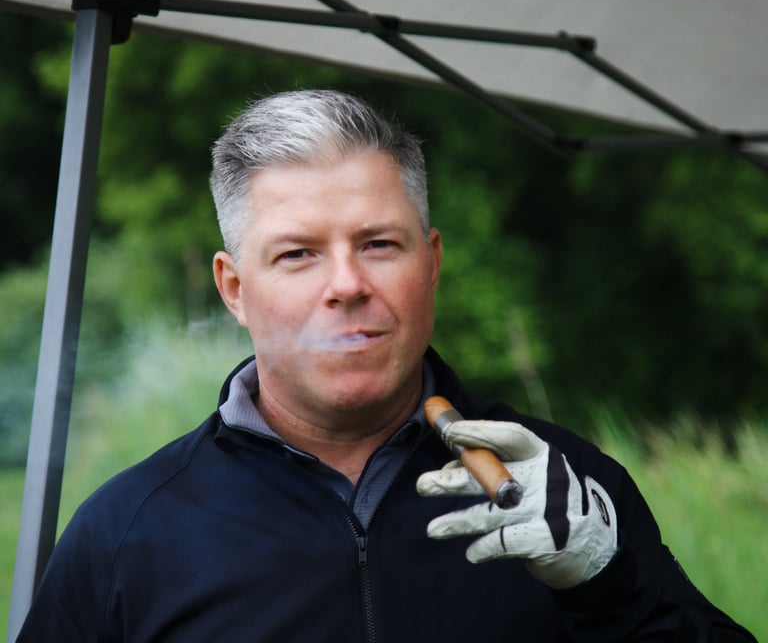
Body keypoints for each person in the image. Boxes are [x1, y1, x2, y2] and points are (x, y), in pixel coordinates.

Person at [17, 89, 755, 642]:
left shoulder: (561, 490)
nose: (346, 284)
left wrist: (608, 583)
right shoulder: (126, 533)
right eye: (297, 254)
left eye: (378, 244)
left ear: (430, 263)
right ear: (235, 289)